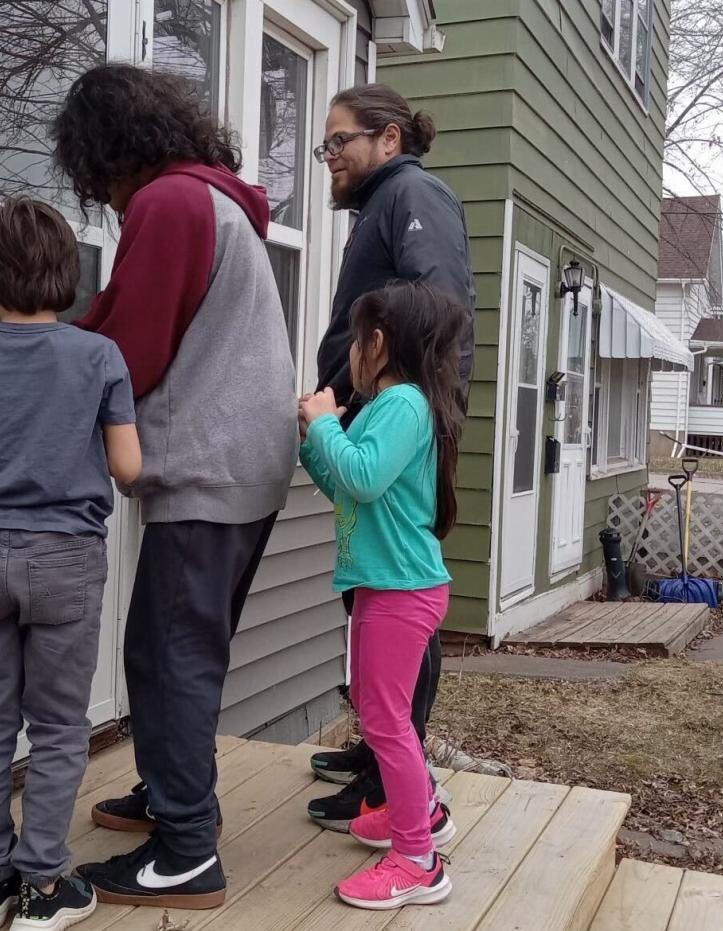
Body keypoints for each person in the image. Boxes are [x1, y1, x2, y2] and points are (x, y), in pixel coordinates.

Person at [52, 64, 298, 909]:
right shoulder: (214, 199)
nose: (107, 202)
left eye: (96, 178)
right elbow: (126, 308)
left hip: (210, 463)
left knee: (168, 658)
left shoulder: (169, 203)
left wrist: (26, 357)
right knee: (176, 649)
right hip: (248, 459)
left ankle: (188, 847)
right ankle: (170, 792)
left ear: (110, 151)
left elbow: (134, 345)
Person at [0, 198, 142, 931]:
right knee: (55, 725)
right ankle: (43, 886)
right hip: (66, 560)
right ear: (66, 277)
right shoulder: (99, 357)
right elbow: (128, 465)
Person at [305, 84, 477, 833]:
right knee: (372, 598)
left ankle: (391, 772)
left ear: (390, 139)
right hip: (371, 409)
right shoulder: (384, 203)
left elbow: (432, 306)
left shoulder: (414, 193)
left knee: (399, 604)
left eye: (341, 141)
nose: (330, 156)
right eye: (327, 145)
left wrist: (362, 389)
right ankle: (380, 747)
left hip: (397, 421)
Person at [299, 279, 467, 909]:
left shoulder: (402, 406)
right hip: (384, 584)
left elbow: (364, 477)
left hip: (404, 587)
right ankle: (421, 807)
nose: (346, 353)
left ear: (377, 343)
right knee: (376, 709)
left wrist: (325, 427)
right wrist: (315, 437)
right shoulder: (385, 408)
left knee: (387, 721)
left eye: (352, 340)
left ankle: (418, 860)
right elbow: (344, 480)